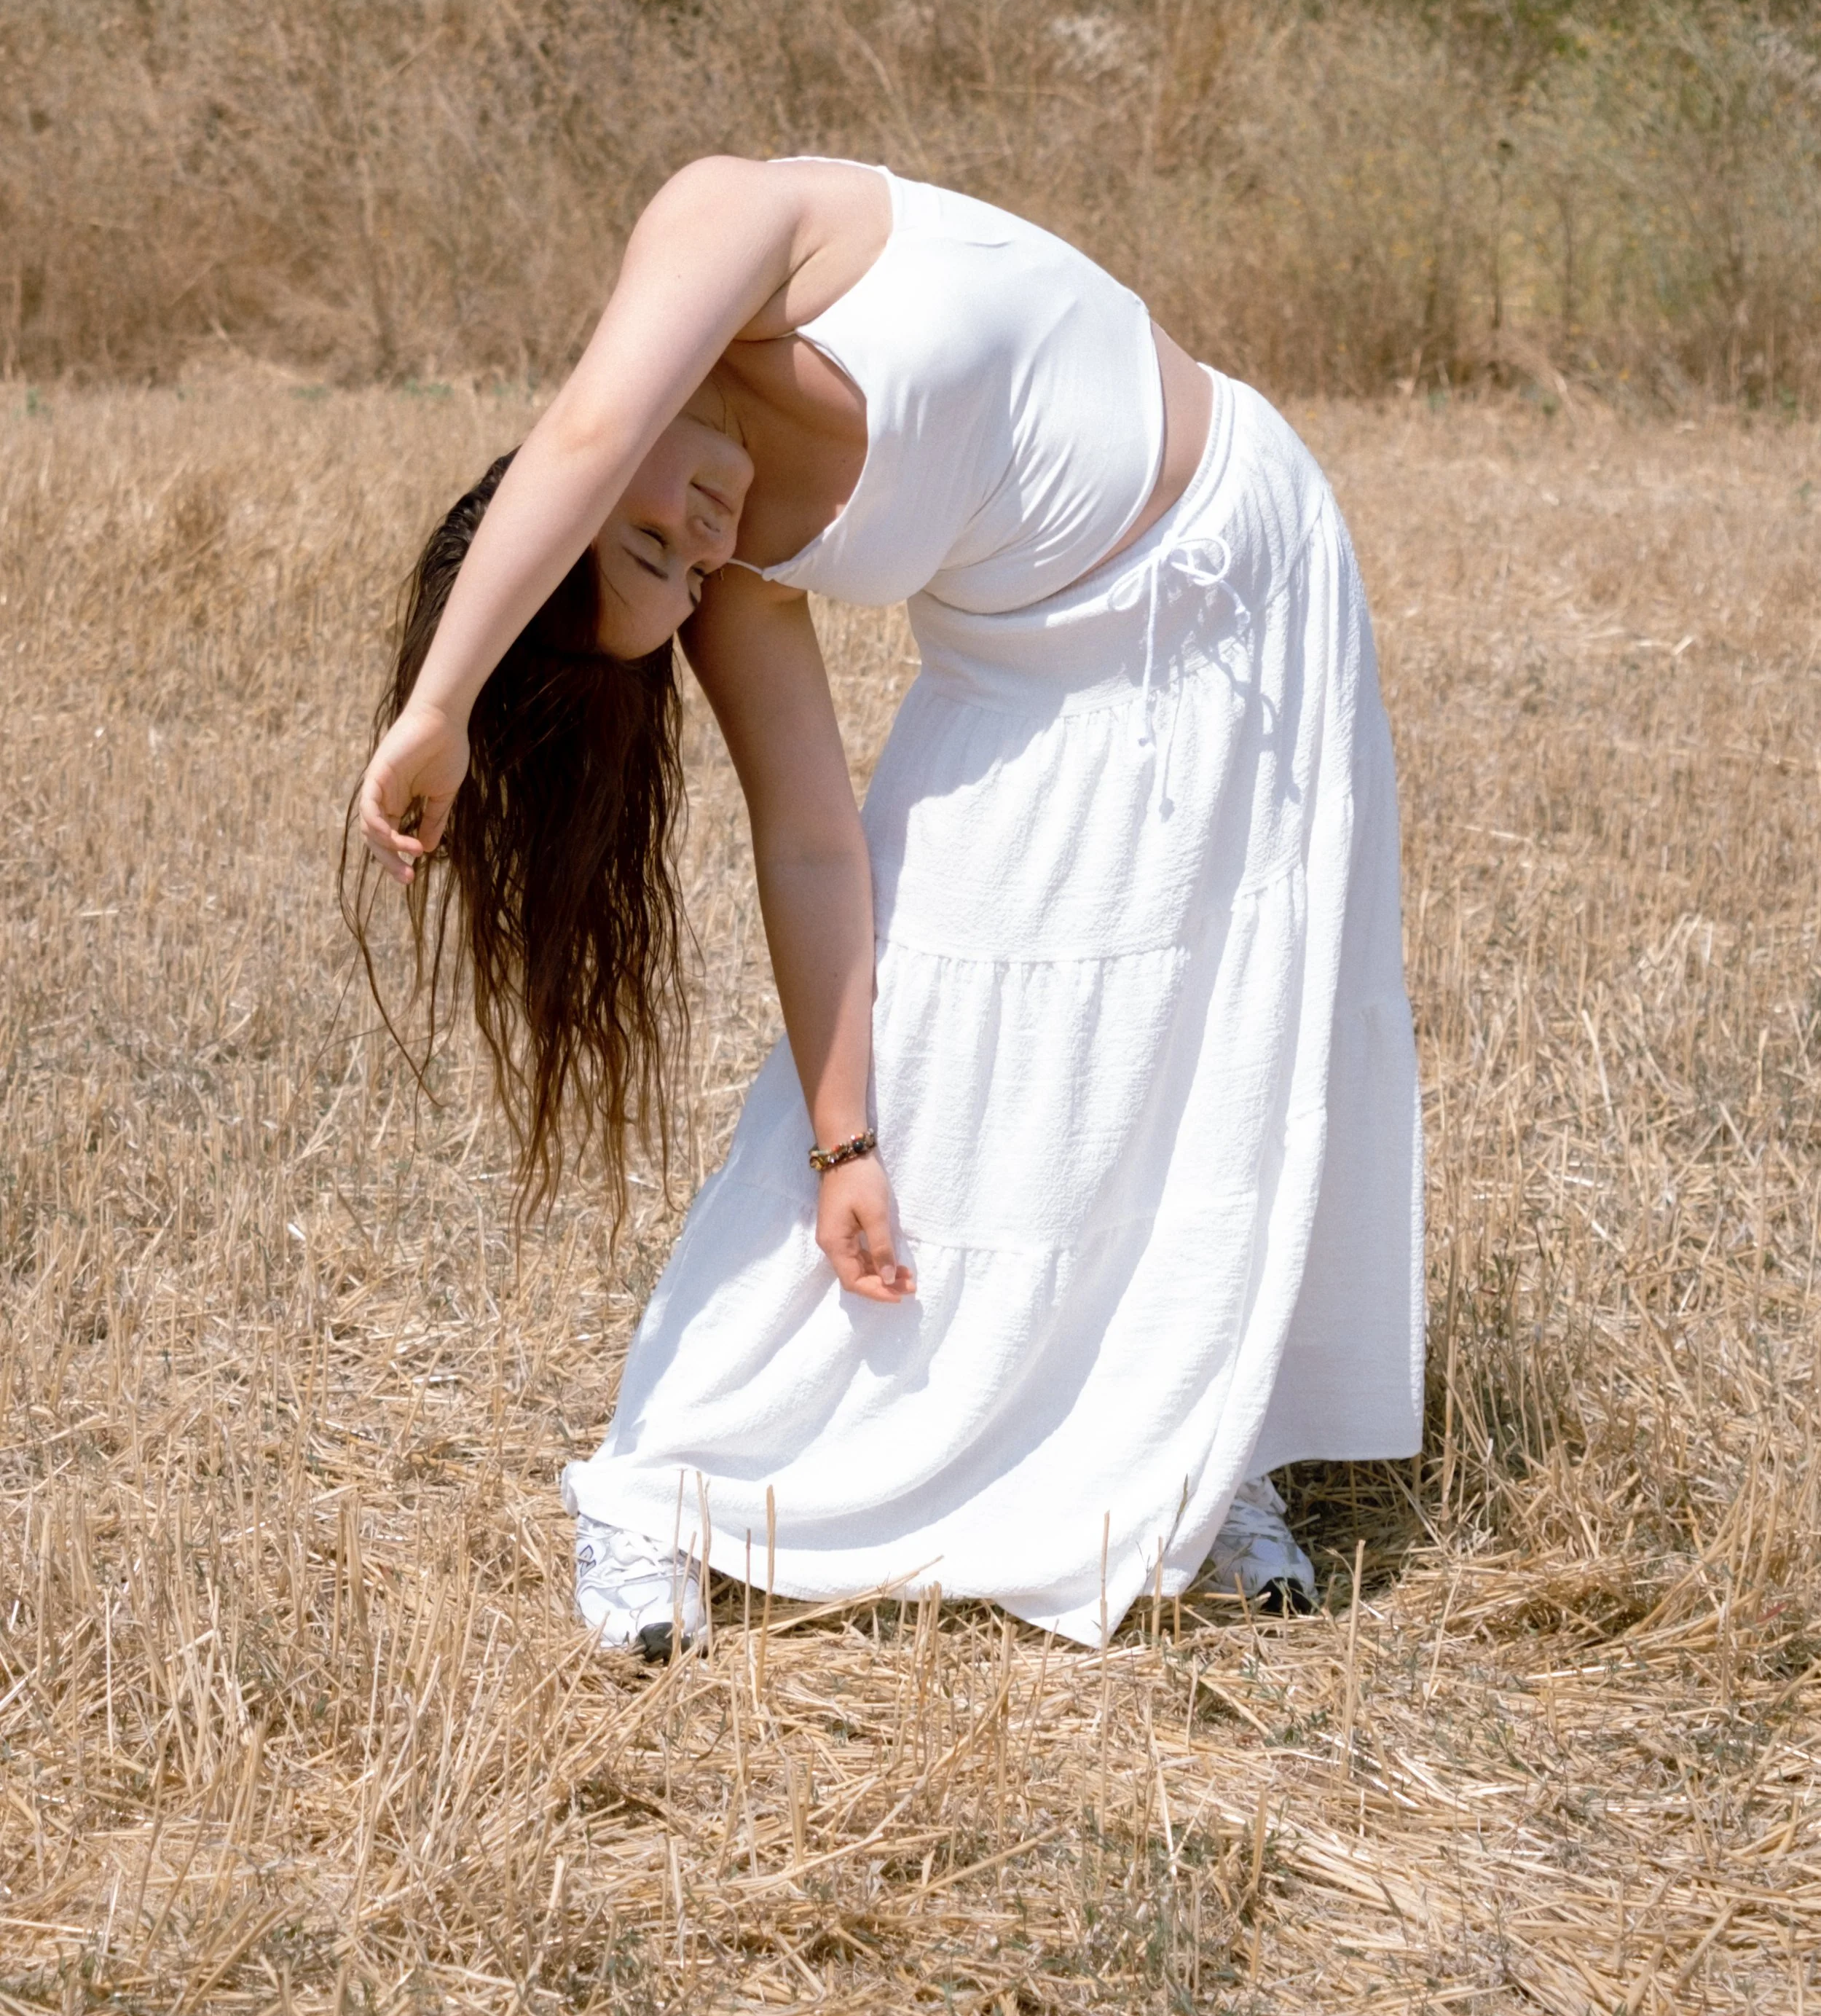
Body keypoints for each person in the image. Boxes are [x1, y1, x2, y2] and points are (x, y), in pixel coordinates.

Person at [354, 154, 1424, 1657]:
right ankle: (656, 1495)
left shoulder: (723, 223)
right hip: (1040, 672)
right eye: (677, 577)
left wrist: (439, 704)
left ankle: (1189, 1461)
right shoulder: (738, 573)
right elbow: (808, 845)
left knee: (1219, 1053)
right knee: (935, 1027)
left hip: (1260, 566)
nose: (705, 551)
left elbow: (595, 423)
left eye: (656, 541)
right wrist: (842, 1133)